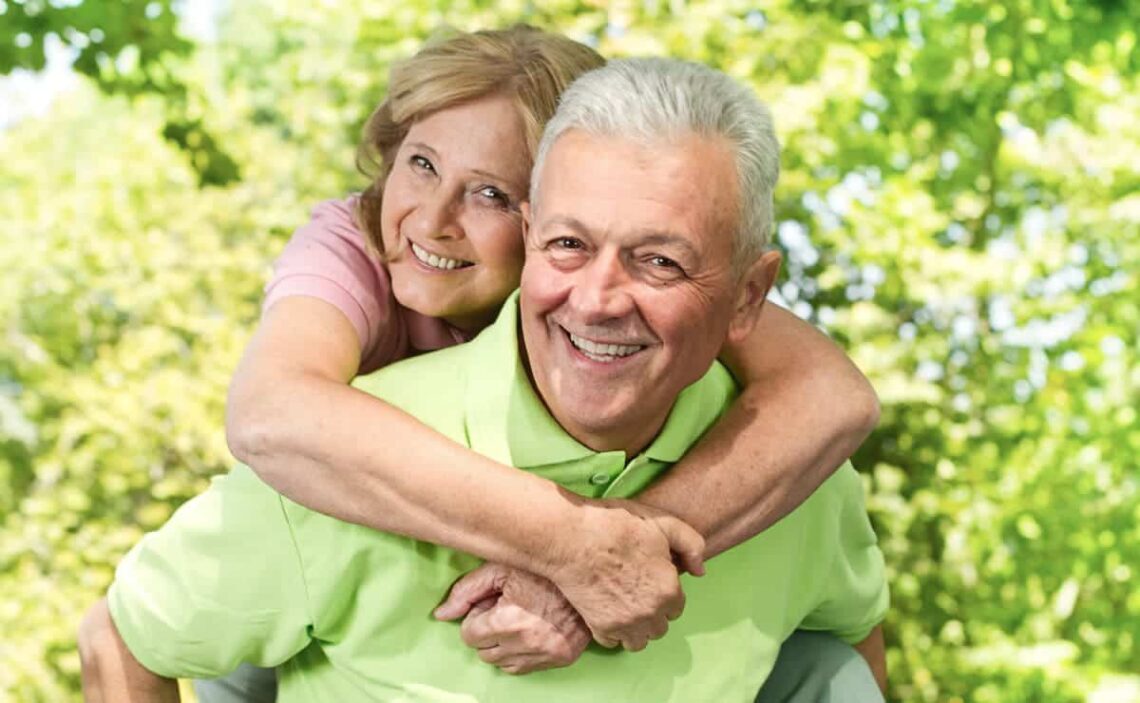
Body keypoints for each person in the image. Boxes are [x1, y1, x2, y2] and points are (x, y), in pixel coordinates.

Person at [79, 56, 888, 702]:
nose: (433, 220)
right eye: (571, 243)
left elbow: (835, 400)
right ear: (542, 233)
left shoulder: (788, 460)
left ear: (747, 294)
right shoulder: (351, 282)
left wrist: (620, 552)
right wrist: (575, 547)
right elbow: (271, 416)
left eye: (659, 259)